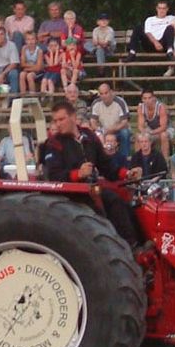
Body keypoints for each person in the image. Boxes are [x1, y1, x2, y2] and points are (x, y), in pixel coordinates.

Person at [42, 101, 138, 247]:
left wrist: (127, 174)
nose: (58, 124)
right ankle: (114, 247)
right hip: (71, 194)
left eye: (61, 119)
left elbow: (107, 166)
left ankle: (132, 244)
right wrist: (78, 174)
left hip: (91, 189)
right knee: (100, 209)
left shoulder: (89, 136)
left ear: (73, 117)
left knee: (119, 203)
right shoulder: (54, 143)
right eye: (55, 120)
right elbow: (54, 176)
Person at [126, 0, 175, 70]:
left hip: (163, 44)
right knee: (138, 28)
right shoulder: (150, 19)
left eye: (164, 8)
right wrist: (155, 43)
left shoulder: (172, 18)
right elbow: (148, 32)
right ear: (156, 9)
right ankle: (132, 52)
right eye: (160, 8)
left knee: (170, 28)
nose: (161, 10)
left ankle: (169, 52)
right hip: (150, 44)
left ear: (167, 9)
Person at [89, 83, 131, 160]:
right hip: (103, 131)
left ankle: (124, 160)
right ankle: (99, 160)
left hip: (118, 130)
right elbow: (92, 122)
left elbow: (124, 122)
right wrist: (100, 130)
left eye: (106, 93)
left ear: (111, 92)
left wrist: (112, 129)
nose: (104, 96)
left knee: (125, 133)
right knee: (93, 135)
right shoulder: (96, 103)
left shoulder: (120, 102)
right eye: (101, 94)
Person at [135, 88, 172, 158]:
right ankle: (138, 160)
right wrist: (144, 132)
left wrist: (151, 132)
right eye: (145, 98)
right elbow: (140, 125)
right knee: (138, 136)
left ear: (154, 98)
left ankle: (165, 160)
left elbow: (163, 127)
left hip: (166, 129)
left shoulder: (161, 107)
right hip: (150, 129)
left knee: (164, 135)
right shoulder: (141, 107)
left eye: (149, 98)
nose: (147, 100)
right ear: (142, 99)